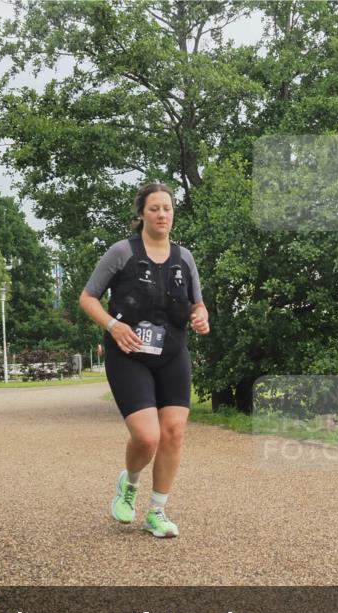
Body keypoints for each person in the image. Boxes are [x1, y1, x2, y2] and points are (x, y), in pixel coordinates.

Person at [79, 183, 210, 538]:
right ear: (142, 214)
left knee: (174, 432)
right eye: (154, 208)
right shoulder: (122, 252)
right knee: (148, 437)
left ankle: (157, 512)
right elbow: (88, 298)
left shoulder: (184, 258)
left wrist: (201, 316)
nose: (162, 215)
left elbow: (197, 304)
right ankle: (130, 484)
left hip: (172, 354)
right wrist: (113, 325)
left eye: (167, 208)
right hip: (128, 354)